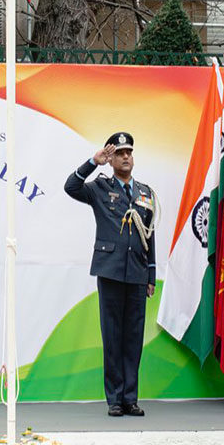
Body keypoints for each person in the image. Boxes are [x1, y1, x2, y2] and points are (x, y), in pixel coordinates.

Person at [65, 132, 156, 417]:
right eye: (119, 153)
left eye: (129, 152)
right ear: (112, 159)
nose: (126, 157)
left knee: (134, 337)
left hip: (138, 272)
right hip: (111, 271)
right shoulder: (100, 188)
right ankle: (115, 399)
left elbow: (150, 234)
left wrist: (151, 274)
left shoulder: (145, 192)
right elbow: (71, 187)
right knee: (113, 336)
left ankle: (131, 398)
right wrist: (94, 162)